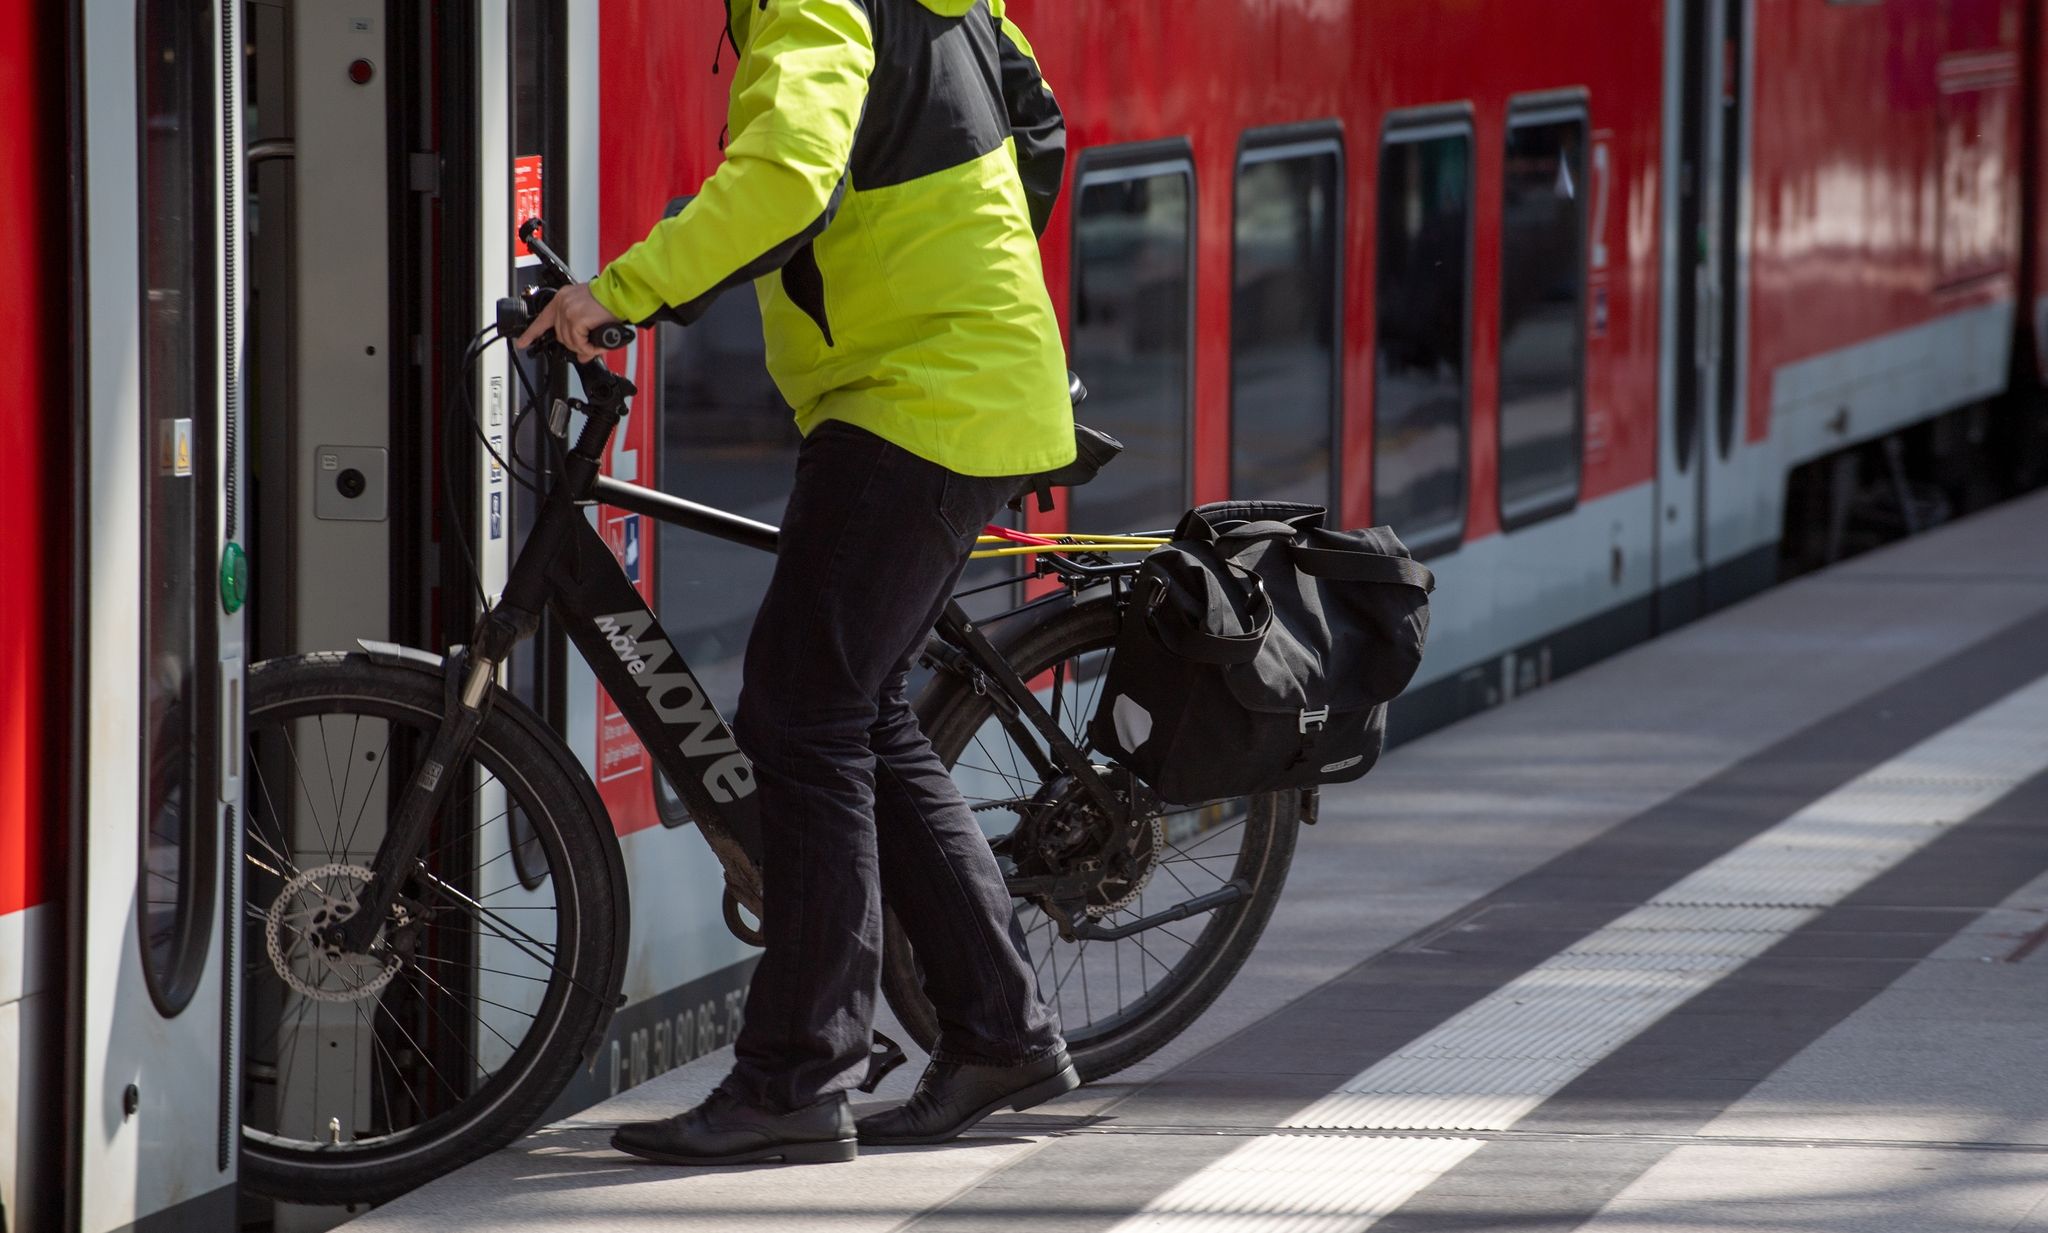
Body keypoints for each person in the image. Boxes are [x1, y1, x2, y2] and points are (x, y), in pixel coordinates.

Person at [517, 0, 1078, 1166]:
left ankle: (793, 1078)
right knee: (854, 709)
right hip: (954, 380)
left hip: (915, 399)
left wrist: (621, 291)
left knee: (800, 708)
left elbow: (783, 179)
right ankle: (998, 1029)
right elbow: (1039, 136)